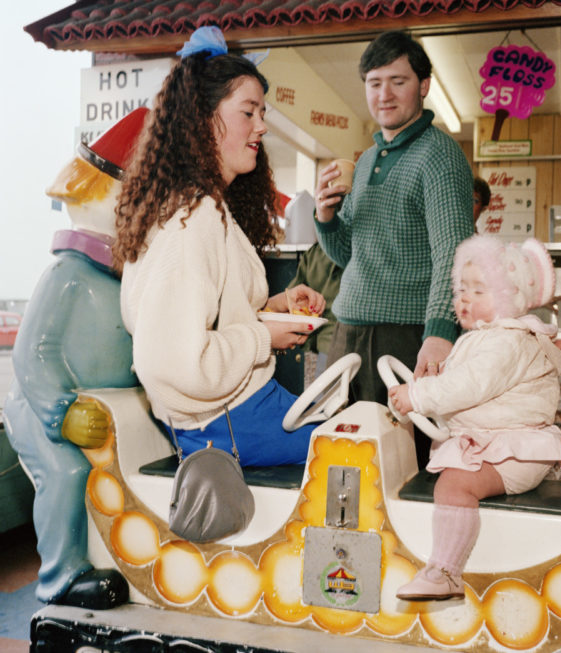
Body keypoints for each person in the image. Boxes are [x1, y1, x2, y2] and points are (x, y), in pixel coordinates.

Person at [113, 27, 325, 467]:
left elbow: (205, 315)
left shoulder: (202, 207)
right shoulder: (194, 220)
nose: (262, 126)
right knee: (362, 449)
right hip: (228, 424)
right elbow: (174, 363)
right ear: (201, 117)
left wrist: (275, 306)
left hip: (233, 414)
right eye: (249, 112)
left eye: (261, 113)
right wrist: (263, 336)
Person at [3, 108, 149, 608]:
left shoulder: (125, 278)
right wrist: (59, 409)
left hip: (107, 406)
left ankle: (123, 558)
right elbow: (32, 352)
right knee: (66, 473)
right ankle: (60, 577)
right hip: (47, 408)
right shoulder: (66, 274)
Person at [388, 234, 561, 600]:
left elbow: (471, 384)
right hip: (502, 439)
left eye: (479, 291)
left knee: (455, 483)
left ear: (510, 300)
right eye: (462, 289)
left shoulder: (506, 341)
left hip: (515, 448)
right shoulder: (486, 337)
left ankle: (445, 571)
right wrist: (436, 380)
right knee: (446, 467)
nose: (465, 298)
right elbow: (465, 381)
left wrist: (418, 395)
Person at [314, 30, 474, 465]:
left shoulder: (439, 155)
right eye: (374, 82)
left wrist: (440, 334)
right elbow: (347, 254)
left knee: (404, 463)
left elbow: (455, 254)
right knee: (343, 462)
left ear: (423, 86)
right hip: (348, 335)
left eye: (397, 81)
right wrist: (326, 219)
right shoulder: (365, 160)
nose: (383, 94)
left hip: (407, 340)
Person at [287, 242, 343, 375]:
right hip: (349, 342)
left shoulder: (315, 252)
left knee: (322, 393)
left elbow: (292, 301)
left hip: (320, 344)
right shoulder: (362, 248)